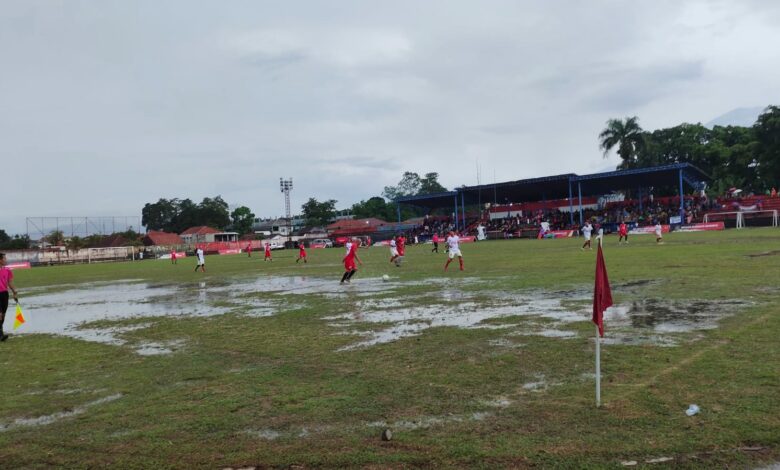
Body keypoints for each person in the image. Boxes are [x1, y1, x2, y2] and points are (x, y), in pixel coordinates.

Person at [0, 253, 20, 341]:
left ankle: (1, 331)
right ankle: (0, 335)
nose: (6, 260)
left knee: (3, 314)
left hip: (4, 294)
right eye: (4, 258)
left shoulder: (7, 270)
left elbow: (10, 282)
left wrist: (14, 291)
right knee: (0, 314)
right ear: (0, 260)